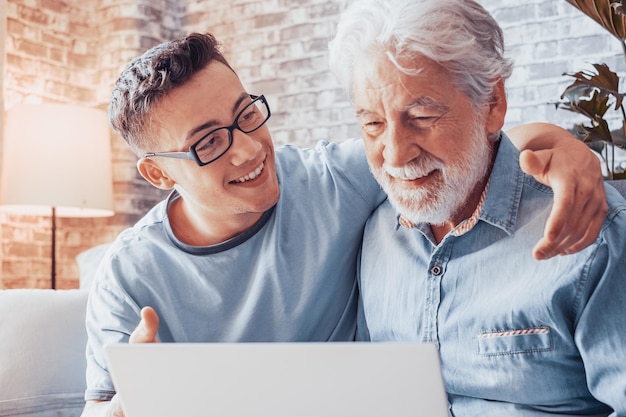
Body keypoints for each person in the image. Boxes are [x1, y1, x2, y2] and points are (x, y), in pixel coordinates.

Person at [81, 30, 607, 417]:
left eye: (246, 115)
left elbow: (453, 143)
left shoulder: (332, 180)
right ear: (156, 172)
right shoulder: (128, 277)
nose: (247, 150)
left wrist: (564, 146)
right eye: (209, 143)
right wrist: (129, 405)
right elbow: (98, 410)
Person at [329, 0, 626, 415]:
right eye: (372, 124)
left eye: (421, 115)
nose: (395, 155)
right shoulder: (374, 229)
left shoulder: (591, 231)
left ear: (493, 104)